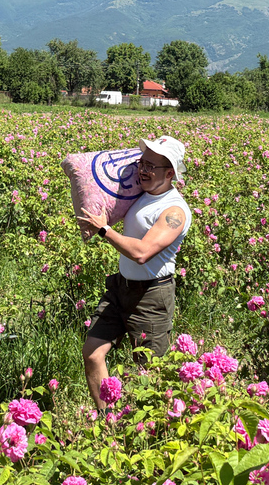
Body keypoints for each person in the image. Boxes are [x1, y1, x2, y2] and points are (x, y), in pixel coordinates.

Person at [79, 136, 191, 410]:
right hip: (120, 288)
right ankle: (109, 423)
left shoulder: (174, 210)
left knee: (150, 375)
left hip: (151, 296)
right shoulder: (138, 194)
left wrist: (104, 230)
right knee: (92, 353)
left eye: (152, 166)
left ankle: (151, 434)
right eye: (143, 163)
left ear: (170, 173)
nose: (144, 170)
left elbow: (142, 252)